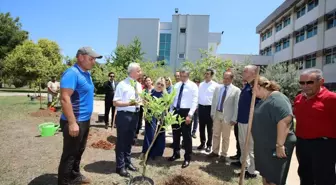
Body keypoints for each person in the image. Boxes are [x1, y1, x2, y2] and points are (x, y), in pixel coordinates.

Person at [58, 46, 102, 185]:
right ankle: (64, 182)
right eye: (91, 58)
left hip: (84, 120)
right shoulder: (72, 73)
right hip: (74, 121)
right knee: (70, 155)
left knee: (79, 151)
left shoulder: (86, 73)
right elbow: (65, 98)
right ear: (81, 57)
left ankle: (75, 175)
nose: (94, 61)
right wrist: (72, 123)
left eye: (94, 59)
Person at [294, 68, 336, 185]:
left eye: (309, 82)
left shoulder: (332, 98)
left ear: (321, 81)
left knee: (324, 178)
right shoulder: (299, 98)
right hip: (302, 145)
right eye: (302, 83)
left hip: (324, 146)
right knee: (305, 175)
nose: (305, 86)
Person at [251, 76, 296, 185]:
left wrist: (279, 145)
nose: (252, 92)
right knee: (266, 175)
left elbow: (285, 120)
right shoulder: (265, 99)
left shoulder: (277, 99)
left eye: (252, 88)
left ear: (258, 86)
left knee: (274, 177)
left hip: (275, 147)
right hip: (265, 146)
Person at [113, 62, 142, 177]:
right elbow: (115, 102)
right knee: (121, 141)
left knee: (130, 140)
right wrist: (130, 103)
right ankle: (120, 166)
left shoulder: (138, 85)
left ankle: (128, 162)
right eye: (139, 70)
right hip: (124, 115)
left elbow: (140, 100)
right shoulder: (122, 84)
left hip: (135, 115)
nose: (141, 72)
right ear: (132, 72)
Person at [231, 65, 258, 179]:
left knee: (250, 147)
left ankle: (252, 171)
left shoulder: (255, 86)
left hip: (250, 122)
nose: (243, 72)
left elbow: (258, 105)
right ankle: (244, 166)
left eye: (245, 71)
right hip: (242, 120)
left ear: (253, 73)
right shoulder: (247, 85)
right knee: (242, 144)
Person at [168, 69, 198, 168]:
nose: (182, 78)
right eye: (181, 76)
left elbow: (195, 101)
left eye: (184, 76)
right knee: (175, 134)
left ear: (188, 76)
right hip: (176, 111)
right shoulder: (176, 85)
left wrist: (190, 115)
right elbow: (173, 99)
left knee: (186, 136)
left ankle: (187, 158)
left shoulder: (193, 86)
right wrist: (171, 112)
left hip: (186, 112)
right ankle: (176, 153)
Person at [209, 71, 241, 161]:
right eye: (224, 78)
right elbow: (214, 101)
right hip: (217, 114)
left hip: (227, 116)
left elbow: (236, 105)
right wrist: (212, 113)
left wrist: (235, 118)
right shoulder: (218, 88)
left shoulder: (236, 90)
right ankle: (215, 152)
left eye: (227, 78)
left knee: (226, 137)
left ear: (231, 79)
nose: (225, 80)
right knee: (215, 134)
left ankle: (223, 154)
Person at [142, 77, 167, 160]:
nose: (160, 85)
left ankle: (158, 152)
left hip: (161, 114)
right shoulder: (152, 92)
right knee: (149, 133)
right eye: (158, 84)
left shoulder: (165, 94)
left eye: (162, 84)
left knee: (160, 134)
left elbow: (166, 106)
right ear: (156, 84)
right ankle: (147, 152)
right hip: (151, 114)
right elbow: (146, 103)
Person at [197, 69, 218, 152]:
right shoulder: (201, 84)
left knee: (210, 128)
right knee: (201, 127)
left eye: (208, 74)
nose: (206, 75)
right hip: (201, 107)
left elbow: (216, 98)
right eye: (205, 73)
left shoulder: (215, 85)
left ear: (211, 75)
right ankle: (202, 143)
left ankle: (209, 145)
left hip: (210, 108)